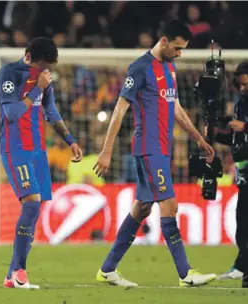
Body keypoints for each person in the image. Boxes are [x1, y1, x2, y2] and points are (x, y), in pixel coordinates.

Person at [92, 20, 216, 287]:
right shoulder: (139, 68)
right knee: (170, 205)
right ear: (164, 42)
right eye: (178, 48)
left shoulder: (169, 67)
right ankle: (186, 274)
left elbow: (177, 107)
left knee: (142, 208)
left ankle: (108, 269)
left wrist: (198, 139)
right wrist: (106, 150)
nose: (180, 53)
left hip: (162, 149)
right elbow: (120, 109)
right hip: (149, 149)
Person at [0, 37, 83, 289]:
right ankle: (20, 272)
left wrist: (70, 140)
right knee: (31, 204)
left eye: (49, 67)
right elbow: (11, 114)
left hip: (38, 151)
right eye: (43, 66)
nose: (45, 71)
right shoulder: (9, 73)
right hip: (16, 149)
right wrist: (36, 88)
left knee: (34, 210)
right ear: (28, 57)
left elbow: (50, 111)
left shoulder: (44, 78)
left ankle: (11, 275)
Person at [214, 62, 248, 288]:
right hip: (244, 171)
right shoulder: (241, 104)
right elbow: (236, 139)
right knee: (242, 229)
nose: (244, 87)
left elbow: (243, 131)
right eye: (241, 84)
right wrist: (215, 133)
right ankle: (242, 267)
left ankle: (244, 272)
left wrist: (245, 127)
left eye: (247, 83)